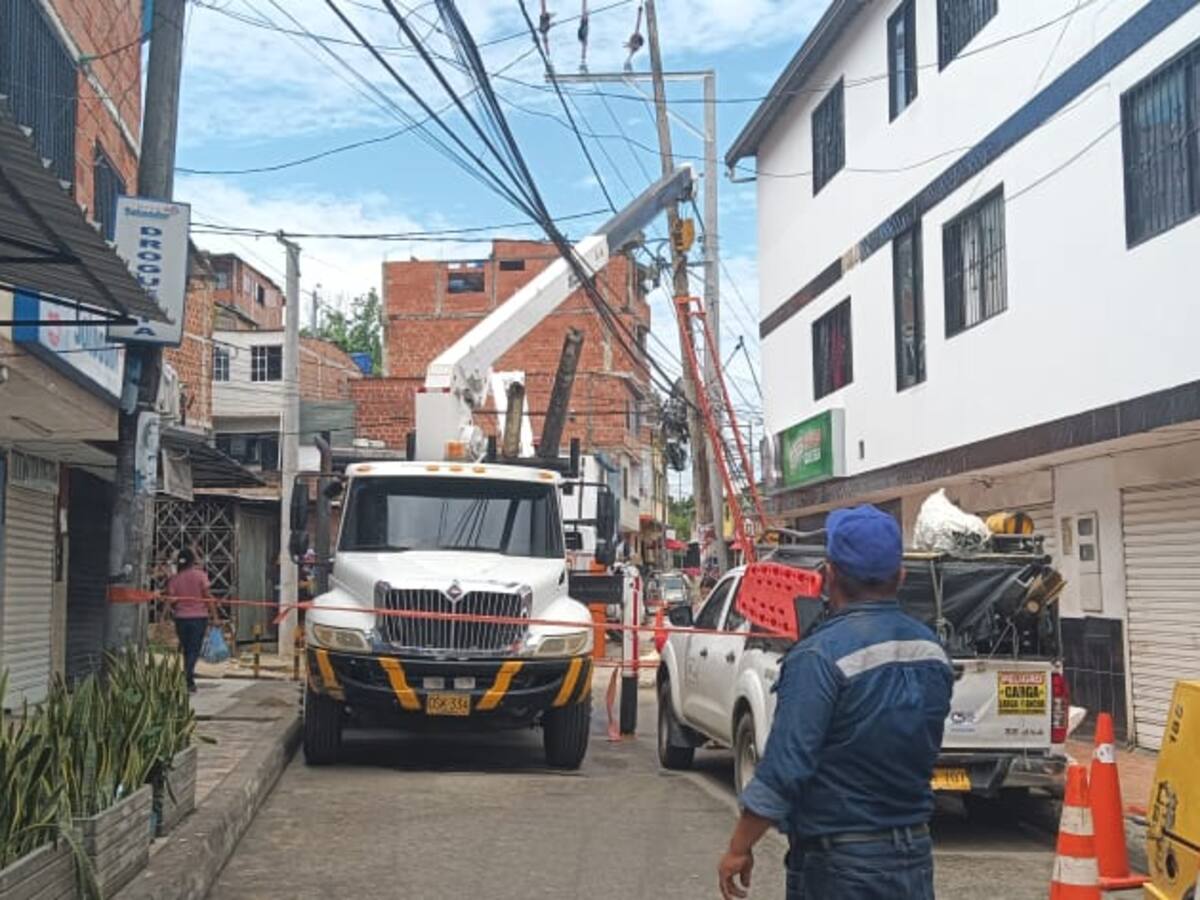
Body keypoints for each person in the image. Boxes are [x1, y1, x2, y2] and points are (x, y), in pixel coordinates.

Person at [718, 505, 954, 900]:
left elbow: (784, 770)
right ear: (900, 576)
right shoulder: (931, 652)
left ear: (828, 577)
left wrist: (738, 848)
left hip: (840, 867)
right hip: (913, 858)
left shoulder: (818, 657)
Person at [166, 547, 218, 693]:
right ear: (192, 561)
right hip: (199, 618)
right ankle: (188, 677)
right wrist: (215, 617)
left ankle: (188, 678)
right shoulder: (200, 575)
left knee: (187, 649)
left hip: (181, 618)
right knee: (194, 649)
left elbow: (170, 600)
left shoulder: (174, 579)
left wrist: (163, 617)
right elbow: (208, 596)